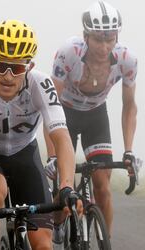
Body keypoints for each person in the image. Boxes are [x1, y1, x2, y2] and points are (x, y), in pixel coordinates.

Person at [0, 20, 82, 250]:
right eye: (0, 66)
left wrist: (66, 187)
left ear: (29, 67)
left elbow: (62, 138)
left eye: (16, 68)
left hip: (24, 154)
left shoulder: (41, 84)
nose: (7, 76)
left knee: (43, 246)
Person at [44, 1, 137, 238]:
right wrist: (53, 155)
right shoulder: (69, 53)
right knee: (63, 184)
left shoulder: (127, 59)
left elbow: (129, 106)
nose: (104, 46)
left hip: (96, 116)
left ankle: (105, 239)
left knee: (103, 187)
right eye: (98, 39)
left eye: (110, 38)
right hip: (64, 114)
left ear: (117, 36)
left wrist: (128, 150)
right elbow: (50, 104)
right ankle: (57, 222)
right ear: (86, 36)